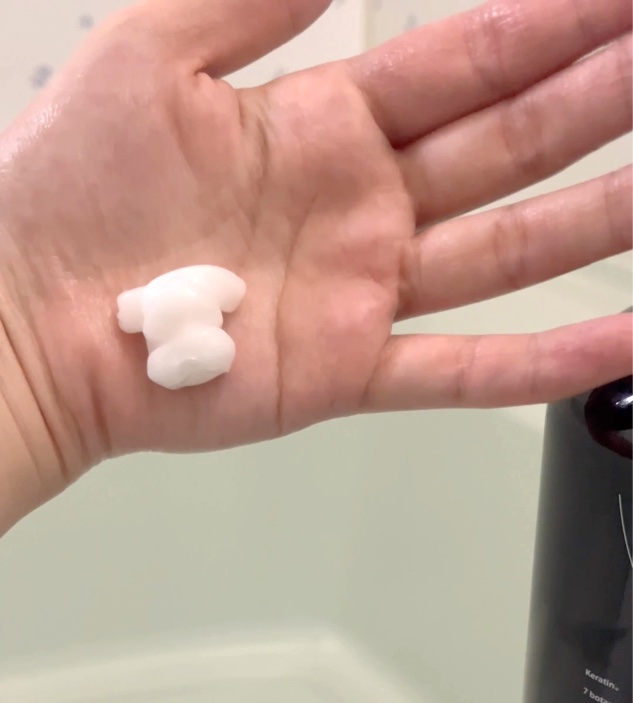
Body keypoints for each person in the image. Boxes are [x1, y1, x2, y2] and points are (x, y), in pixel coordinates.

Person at [0, 0, 630, 536]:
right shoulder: (180, 301)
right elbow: (186, 300)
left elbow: (191, 299)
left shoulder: (185, 301)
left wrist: (30, 355)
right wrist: (27, 335)